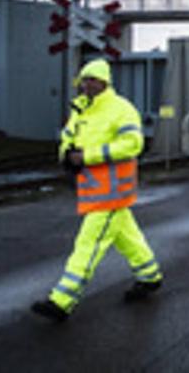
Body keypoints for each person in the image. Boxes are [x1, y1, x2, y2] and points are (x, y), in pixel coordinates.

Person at [31, 58, 163, 321]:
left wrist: (87, 157)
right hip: (94, 188)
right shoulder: (81, 110)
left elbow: (133, 144)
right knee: (127, 236)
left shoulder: (121, 109)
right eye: (83, 80)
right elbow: (68, 138)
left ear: (105, 81)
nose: (86, 84)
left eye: (92, 79)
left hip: (113, 190)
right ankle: (150, 276)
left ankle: (62, 300)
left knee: (88, 244)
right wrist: (66, 155)